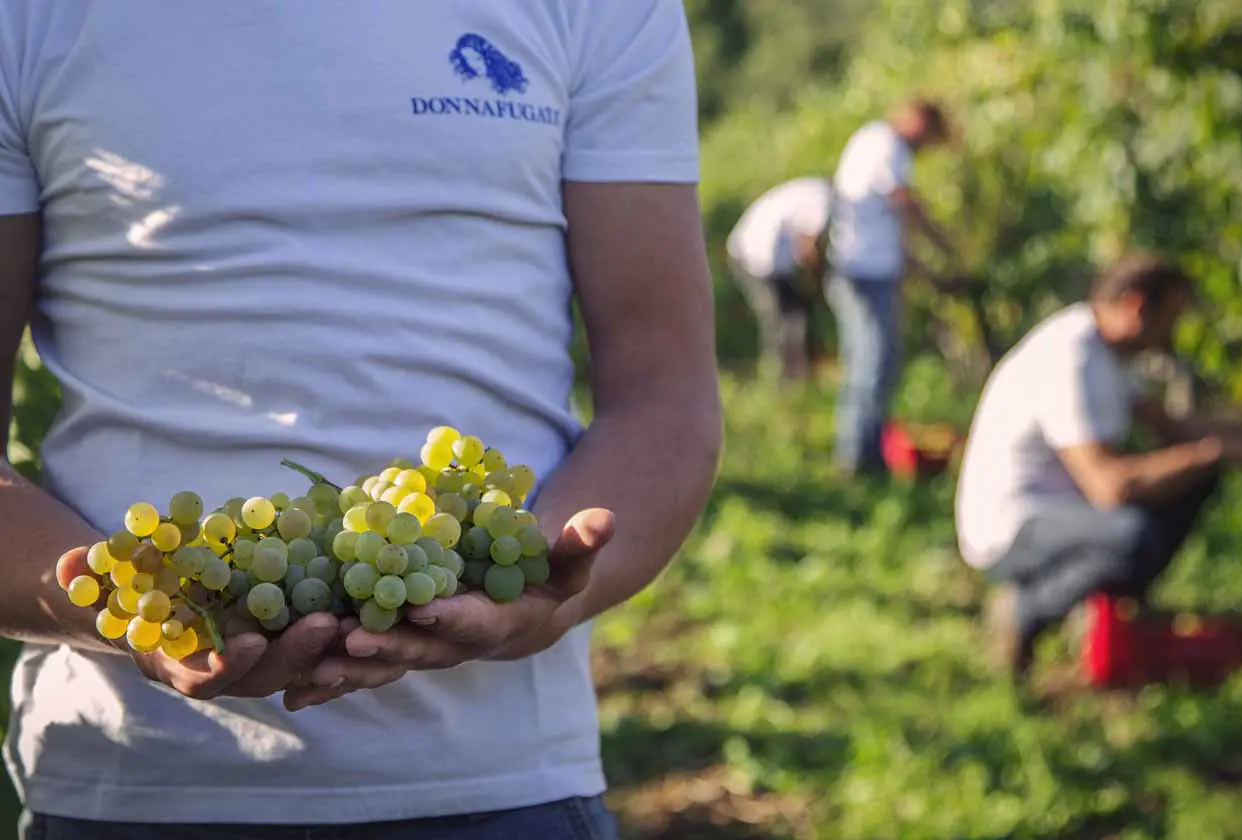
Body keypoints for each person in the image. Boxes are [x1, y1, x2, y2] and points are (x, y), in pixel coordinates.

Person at [0, 4, 722, 839]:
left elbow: (664, 401)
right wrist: (131, 614)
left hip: (505, 790)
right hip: (128, 788)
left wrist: (541, 601)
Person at [954, 254, 1242, 677]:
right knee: (1131, 538)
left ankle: (1110, 609)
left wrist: (1239, 436)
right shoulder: (1072, 357)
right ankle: (1025, 610)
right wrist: (1207, 453)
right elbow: (1109, 486)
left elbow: (1170, 426)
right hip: (1011, 530)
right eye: (1170, 317)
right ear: (1136, 306)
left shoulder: (1110, 353)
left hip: (1062, 513)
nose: (1172, 333)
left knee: (1190, 483)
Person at [825, 99, 963, 474]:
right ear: (921, 122)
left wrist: (917, 265)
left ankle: (859, 453)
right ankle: (861, 460)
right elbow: (904, 204)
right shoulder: (888, 145)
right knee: (874, 362)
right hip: (865, 274)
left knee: (865, 361)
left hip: (860, 269)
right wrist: (945, 246)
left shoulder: (871, 141)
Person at [725, 176, 831, 381]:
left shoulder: (815, 190)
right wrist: (818, 283)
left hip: (758, 254)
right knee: (785, 318)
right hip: (755, 258)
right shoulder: (823, 201)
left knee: (793, 314)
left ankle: (794, 375)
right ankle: (786, 380)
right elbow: (807, 249)